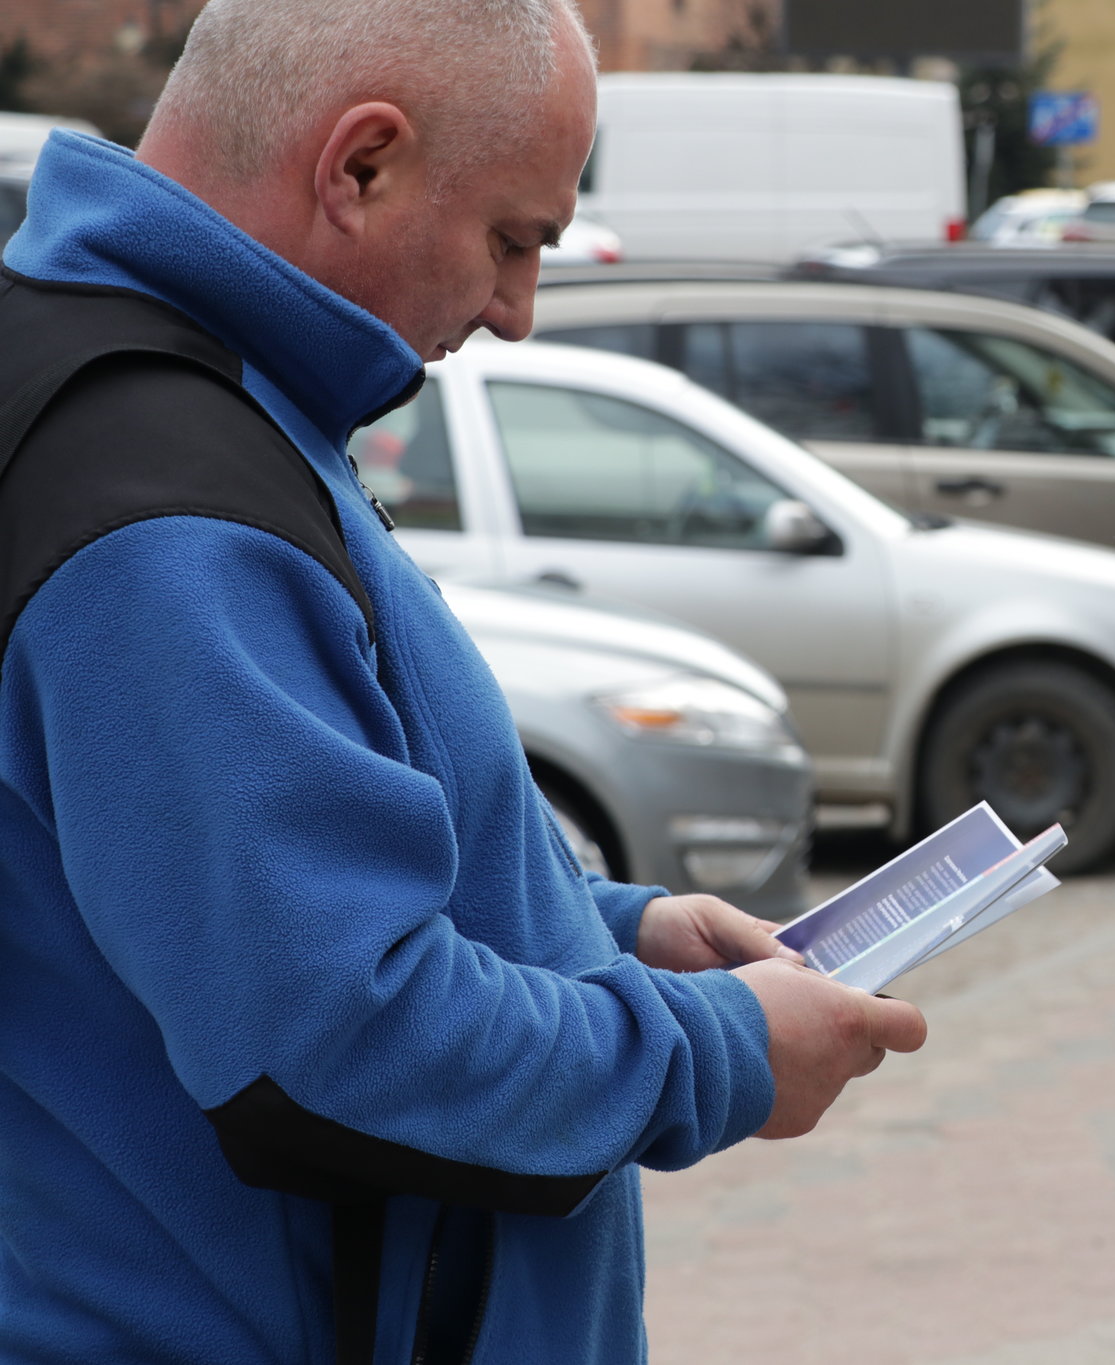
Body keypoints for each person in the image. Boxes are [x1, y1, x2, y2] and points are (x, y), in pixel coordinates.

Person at [0, 1, 924, 1361]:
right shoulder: (170, 511)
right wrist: (718, 1051)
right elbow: (335, 1044)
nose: (517, 311)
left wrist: (608, 932)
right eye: (511, 239)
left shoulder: (174, 396)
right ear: (360, 165)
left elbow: (256, 898)